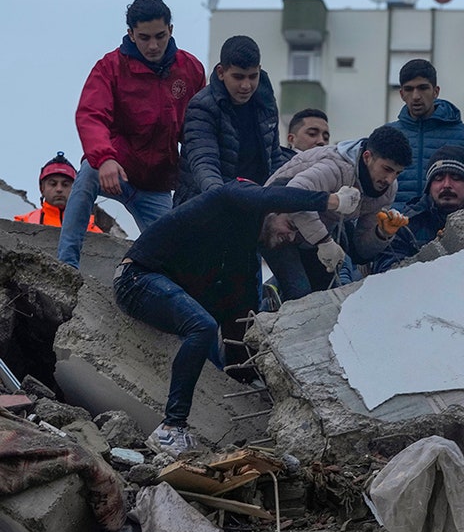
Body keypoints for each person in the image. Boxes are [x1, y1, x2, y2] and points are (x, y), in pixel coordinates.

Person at [114, 179, 361, 455]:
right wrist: (331, 202)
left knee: (207, 323)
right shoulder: (230, 198)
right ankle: (171, 429)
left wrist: (256, 377)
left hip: (165, 290)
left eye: (297, 237)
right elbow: (267, 194)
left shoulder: (241, 257)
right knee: (202, 326)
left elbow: (238, 320)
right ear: (272, 209)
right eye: (290, 227)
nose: (289, 238)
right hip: (136, 278)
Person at [57, 0, 205, 268]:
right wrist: (105, 158)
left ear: (171, 30)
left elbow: (198, 129)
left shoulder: (191, 69)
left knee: (177, 255)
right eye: (144, 37)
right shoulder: (110, 67)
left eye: (160, 36)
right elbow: (91, 115)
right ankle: (65, 265)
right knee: (88, 172)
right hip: (115, 170)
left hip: (157, 185)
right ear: (130, 34)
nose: (153, 45)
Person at [262, 125, 412, 300]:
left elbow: (361, 251)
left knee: (330, 297)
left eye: (397, 173)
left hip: (314, 236)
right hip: (275, 225)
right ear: (367, 157)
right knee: (299, 293)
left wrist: (381, 234)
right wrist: (324, 241)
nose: (390, 179)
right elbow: (294, 195)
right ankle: (270, 306)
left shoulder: (388, 189)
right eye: (386, 169)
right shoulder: (336, 167)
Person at [175, 36, 285, 204]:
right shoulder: (201, 106)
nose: (246, 85)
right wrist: (222, 201)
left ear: (259, 70)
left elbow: (275, 157)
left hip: (255, 203)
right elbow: (204, 162)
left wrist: (279, 199)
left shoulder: (267, 103)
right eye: (238, 77)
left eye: (252, 76)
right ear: (221, 72)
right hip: (204, 205)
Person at [386, 59, 464, 206]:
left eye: (423, 88)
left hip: (450, 226)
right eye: (409, 89)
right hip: (396, 226)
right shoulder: (388, 136)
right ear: (401, 94)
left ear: (436, 91)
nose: (416, 96)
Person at [379, 144, 464, 268]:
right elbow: (386, 269)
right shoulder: (408, 224)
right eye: (438, 178)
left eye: (456, 178)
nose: (446, 184)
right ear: (429, 187)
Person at [14, 154, 101, 233]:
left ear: (75, 189)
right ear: (42, 189)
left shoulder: (91, 227)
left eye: (65, 184)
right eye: (53, 184)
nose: (59, 189)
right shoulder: (21, 224)